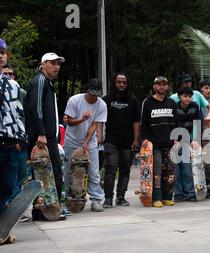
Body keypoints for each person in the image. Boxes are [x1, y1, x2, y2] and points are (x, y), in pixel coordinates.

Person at [24, 52, 66, 221]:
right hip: (42, 137)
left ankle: (46, 211)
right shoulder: (40, 81)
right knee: (46, 173)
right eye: (53, 63)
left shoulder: (47, 83)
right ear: (44, 64)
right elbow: (36, 108)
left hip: (48, 136)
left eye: (58, 64)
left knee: (49, 173)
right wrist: (41, 133)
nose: (57, 67)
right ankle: (43, 211)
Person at [63, 79, 107, 212]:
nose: (93, 97)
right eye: (91, 93)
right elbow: (69, 122)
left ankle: (97, 199)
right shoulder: (74, 100)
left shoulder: (102, 105)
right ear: (87, 90)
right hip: (71, 140)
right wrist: (82, 119)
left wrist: (86, 142)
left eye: (96, 94)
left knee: (93, 171)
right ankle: (66, 198)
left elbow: (95, 125)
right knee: (68, 170)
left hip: (90, 141)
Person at [102, 73, 141, 208]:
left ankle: (121, 197)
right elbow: (100, 120)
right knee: (110, 169)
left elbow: (136, 121)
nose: (122, 85)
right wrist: (100, 136)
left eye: (124, 82)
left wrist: (136, 139)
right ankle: (107, 198)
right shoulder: (106, 100)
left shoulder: (132, 100)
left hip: (128, 141)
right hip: (111, 141)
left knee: (125, 170)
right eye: (119, 82)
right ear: (114, 83)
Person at [141, 76, 178, 208]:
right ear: (154, 86)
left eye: (164, 84)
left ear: (167, 87)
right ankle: (156, 197)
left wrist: (177, 139)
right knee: (156, 171)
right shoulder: (148, 102)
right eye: (159, 84)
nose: (161, 87)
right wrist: (145, 139)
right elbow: (143, 123)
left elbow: (176, 123)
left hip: (169, 143)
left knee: (170, 172)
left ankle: (167, 197)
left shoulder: (172, 103)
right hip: (154, 144)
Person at [0, 38, 28, 216]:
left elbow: (19, 114)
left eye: (2, 53)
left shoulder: (13, 85)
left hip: (10, 144)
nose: (0, 56)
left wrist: (22, 140)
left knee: (8, 188)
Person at [173, 87, 202, 202]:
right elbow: (173, 124)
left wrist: (195, 139)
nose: (188, 99)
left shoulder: (194, 106)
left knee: (187, 168)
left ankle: (190, 193)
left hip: (188, 141)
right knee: (176, 168)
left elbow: (198, 123)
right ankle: (178, 193)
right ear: (179, 97)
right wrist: (174, 139)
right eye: (185, 96)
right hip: (175, 141)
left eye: (189, 96)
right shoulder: (174, 106)